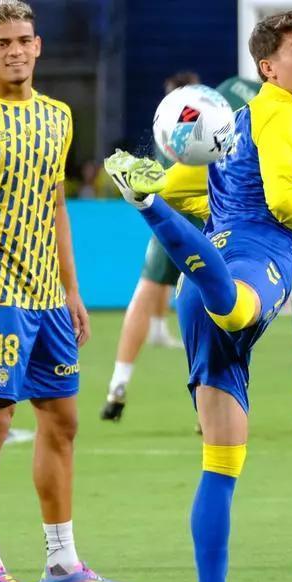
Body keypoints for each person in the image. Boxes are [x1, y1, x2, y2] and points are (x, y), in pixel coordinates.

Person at [103, 9, 292, 582]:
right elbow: (286, 201)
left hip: (203, 273)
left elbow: (193, 186)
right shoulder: (283, 118)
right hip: (252, 261)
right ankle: (151, 214)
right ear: (268, 67)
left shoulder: (237, 124)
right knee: (238, 309)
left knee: (222, 461)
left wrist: (161, 190)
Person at [0, 0, 133, 582]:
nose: (15, 50)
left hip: (48, 299)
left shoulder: (58, 117)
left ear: (38, 46)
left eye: (24, 40)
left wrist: (73, 290)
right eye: (3, 43)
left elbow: (56, 206)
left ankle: (62, 563)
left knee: (62, 423)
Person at [100, 71, 200, 423]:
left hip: (168, 219)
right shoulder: (206, 122)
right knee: (210, 309)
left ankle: (118, 384)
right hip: (203, 220)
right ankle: (208, 409)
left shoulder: (163, 126)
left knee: (145, 292)